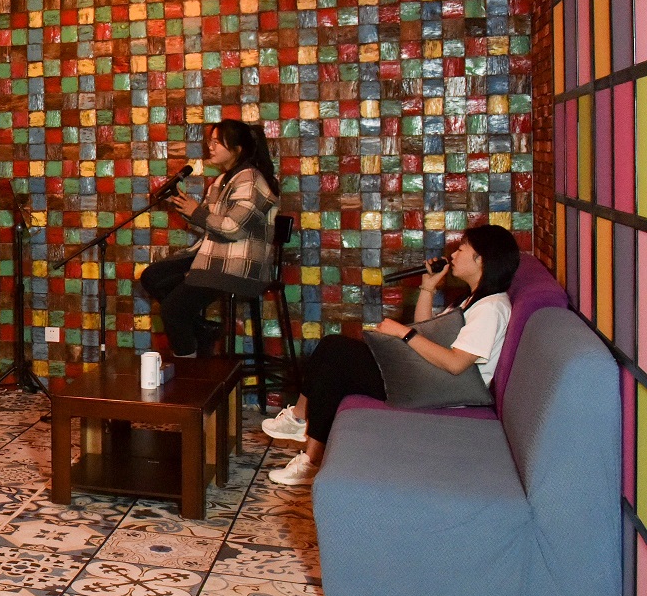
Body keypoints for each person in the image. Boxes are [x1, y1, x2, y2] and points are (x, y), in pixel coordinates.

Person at [261, 223, 522, 486]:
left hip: (445, 391)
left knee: (336, 352)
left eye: (461, 249)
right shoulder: (472, 300)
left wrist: (403, 333)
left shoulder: (491, 308)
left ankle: (301, 425)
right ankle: (307, 451)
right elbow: (428, 332)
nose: (453, 255)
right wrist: (428, 288)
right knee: (335, 359)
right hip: (433, 379)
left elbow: (456, 364)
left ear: (480, 259)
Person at [138, 119, 280, 358]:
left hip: (238, 266)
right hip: (214, 257)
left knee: (173, 310)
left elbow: (233, 228)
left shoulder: (250, 179)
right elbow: (206, 224)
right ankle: (202, 328)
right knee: (153, 277)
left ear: (237, 149)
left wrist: (197, 212)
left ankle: (190, 366)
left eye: (217, 142)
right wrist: (182, 206)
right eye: (210, 141)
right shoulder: (222, 181)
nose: (210, 147)